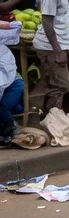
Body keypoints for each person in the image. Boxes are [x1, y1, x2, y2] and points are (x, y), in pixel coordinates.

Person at [0, 16, 21, 145]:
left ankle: (9, 128)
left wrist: (3, 25)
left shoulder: (2, 53)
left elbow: (16, 25)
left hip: (12, 86)